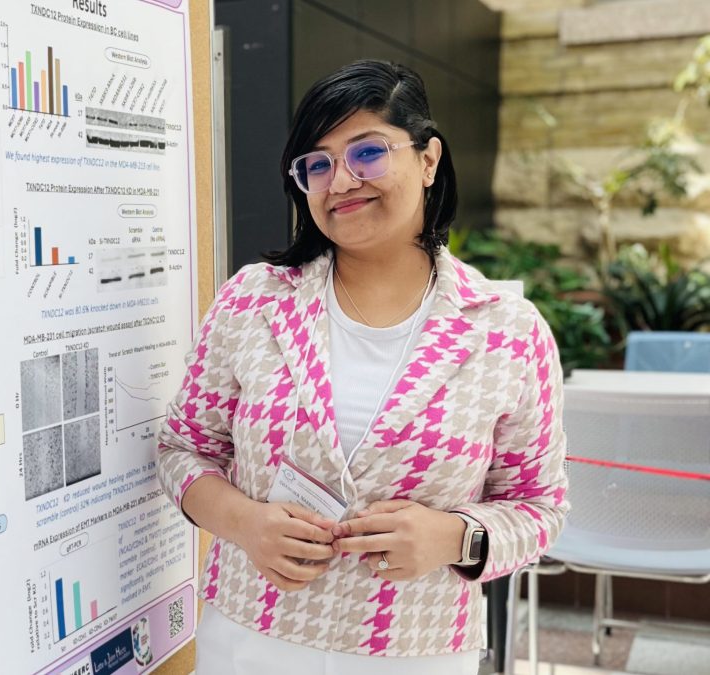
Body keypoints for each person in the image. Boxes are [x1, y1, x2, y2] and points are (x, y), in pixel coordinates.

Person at [157, 59, 569, 674]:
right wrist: (245, 523)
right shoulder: (254, 301)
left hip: (414, 647)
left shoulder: (506, 331)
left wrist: (452, 536)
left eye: (367, 152)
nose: (341, 180)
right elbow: (181, 450)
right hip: (251, 637)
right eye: (316, 164)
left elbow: (540, 506)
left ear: (428, 160)